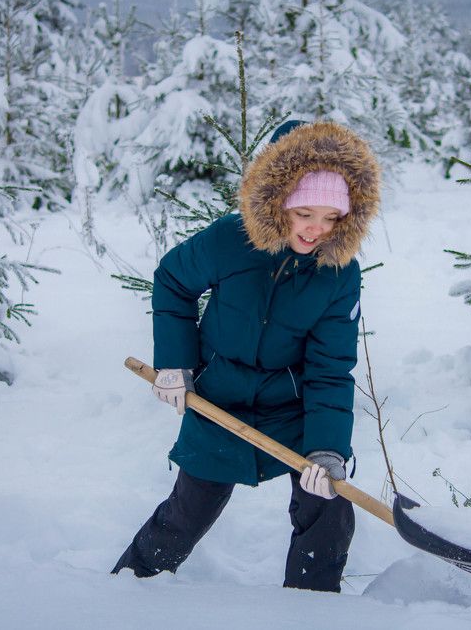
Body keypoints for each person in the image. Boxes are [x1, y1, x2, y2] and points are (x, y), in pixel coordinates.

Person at [111, 119, 381, 593]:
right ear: (277, 201)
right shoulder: (229, 240)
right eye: (304, 212)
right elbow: (173, 281)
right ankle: (127, 588)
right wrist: (176, 365)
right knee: (188, 512)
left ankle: (314, 607)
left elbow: (330, 368)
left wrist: (328, 449)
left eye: (331, 217)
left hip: (293, 409)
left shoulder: (338, 272)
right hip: (219, 401)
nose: (316, 229)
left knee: (328, 503)